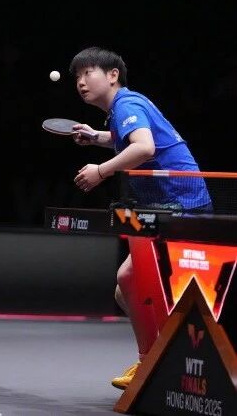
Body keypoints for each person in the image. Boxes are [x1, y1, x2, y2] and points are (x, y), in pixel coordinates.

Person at [68, 46, 212, 390]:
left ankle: (155, 362)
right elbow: (130, 140)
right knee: (128, 288)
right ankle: (156, 360)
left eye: (88, 72)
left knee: (132, 280)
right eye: (77, 77)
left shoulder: (126, 104)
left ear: (112, 75)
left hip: (182, 207)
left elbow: (144, 147)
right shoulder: (123, 108)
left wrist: (101, 170)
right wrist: (97, 137)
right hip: (169, 208)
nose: (81, 82)